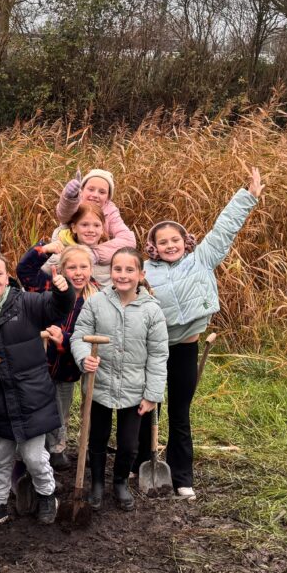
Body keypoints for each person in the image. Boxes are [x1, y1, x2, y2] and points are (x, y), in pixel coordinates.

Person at [133, 168, 265, 500]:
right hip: (154, 349)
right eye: (162, 242)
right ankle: (139, 464)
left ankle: (182, 477)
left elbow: (224, 229)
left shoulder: (201, 260)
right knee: (148, 407)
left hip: (185, 349)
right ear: (153, 247)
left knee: (179, 412)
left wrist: (247, 197)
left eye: (175, 239)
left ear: (185, 241)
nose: (170, 245)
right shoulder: (144, 272)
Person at [0, 250, 74, 527]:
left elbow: (57, 308)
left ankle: (47, 495)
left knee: (33, 456)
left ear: (7, 277)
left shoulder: (26, 302)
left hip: (32, 396)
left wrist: (64, 291)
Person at [72, 248, 168, 512]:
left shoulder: (151, 311)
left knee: (129, 443)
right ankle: (97, 485)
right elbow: (79, 334)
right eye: (117, 269)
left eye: (129, 270)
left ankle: (120, 482)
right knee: (97, 437)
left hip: (134, 388)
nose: (123, 275)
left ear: (141, 274)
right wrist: (83, 358)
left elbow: (159, 355)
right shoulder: (96, 302)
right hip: (99, 384)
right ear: (110, 272)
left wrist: (152, 394)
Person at [18, 244, 100, 471]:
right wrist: (44, 250)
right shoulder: (48, 286)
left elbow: (89, 336)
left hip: (67, 366)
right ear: (62, 269)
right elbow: (24, 271)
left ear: (91, 269)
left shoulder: (96, 299)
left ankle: (56, 449)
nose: (78, 272)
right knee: (38, 406)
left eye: (83, 266)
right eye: (72, 267)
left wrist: (65, 339)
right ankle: (33, 449)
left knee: (60, 410)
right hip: (41, 363)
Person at [54, 169, 136, 264]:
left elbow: (128, 239)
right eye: (91, 189)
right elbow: (63, 215)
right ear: (82, 190)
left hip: (97, 257)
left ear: (108, 197)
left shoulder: (110, 211)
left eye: (102, 192)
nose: (95, 195)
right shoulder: (75, 203)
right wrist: (69, 198)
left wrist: (94, 253)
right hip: (66, 251)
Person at [36, 202, 111, 287]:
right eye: (85, 225)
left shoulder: (110, 255)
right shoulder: (59, 254)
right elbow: (36, 278)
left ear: (102, 229)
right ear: (74, 227)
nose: (91, 230)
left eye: (96, 225)